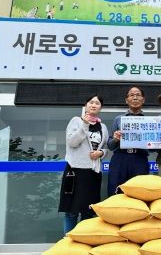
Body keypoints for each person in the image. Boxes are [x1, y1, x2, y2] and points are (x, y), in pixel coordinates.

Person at [58, 94, 109, 234]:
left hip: (93, 173)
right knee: (71, 211)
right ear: (86, 105)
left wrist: (101, 153)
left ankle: (84, 241)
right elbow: (72, 142)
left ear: (100, 108)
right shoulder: (76, 121)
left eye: (97, 103)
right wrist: (84, 126)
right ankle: (69, 241)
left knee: (88, 211)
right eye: (91, 102)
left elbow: (105, 147)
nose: (94, 105)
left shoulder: (103, 127)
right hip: (75, 171)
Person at [107, 86, 150, 196]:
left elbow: (154, 149)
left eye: (138, 95)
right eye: (132, 95)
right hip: (120, 159)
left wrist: (159, 142)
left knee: (139, 193)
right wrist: (115, 139)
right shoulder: (118, 119)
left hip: (140, 159)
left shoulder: (149, 122)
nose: (135, 98)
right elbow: (110, 146)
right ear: (126, 100)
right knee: (115, 191)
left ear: (143, 99)